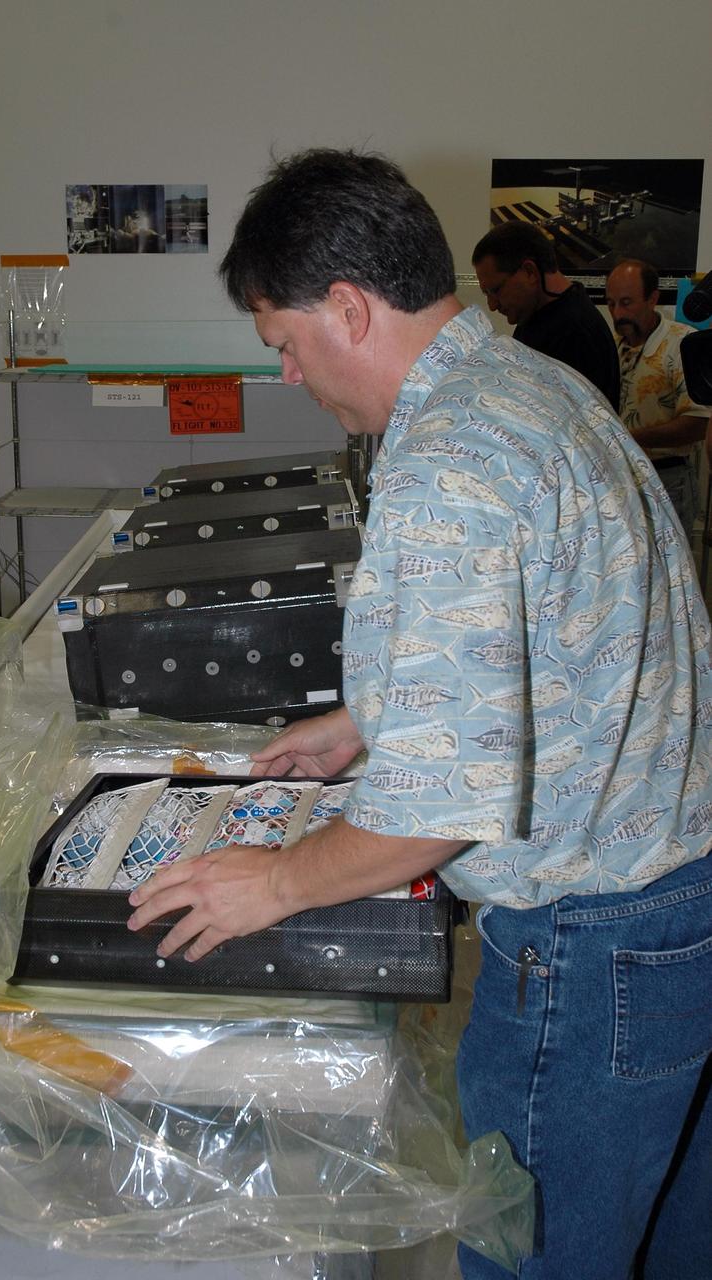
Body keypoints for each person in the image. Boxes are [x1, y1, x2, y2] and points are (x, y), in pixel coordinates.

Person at [127, 149, 712, 1279]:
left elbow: (431, 816)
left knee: (536, 1253)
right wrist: (370, 716)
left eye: (285, 343)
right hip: (673, 898)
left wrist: (276, 881)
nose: (290, 372)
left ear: (346, 306)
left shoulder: (446, 461)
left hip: (585, 948)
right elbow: (558, 625)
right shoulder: (526, 385)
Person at [606, 258, 710, 535]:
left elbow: (698, 423)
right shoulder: (612, 347)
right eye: (611, 303)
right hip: (620, 480)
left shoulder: (682, 345)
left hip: (667, 479)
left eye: (626, 303)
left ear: (653, 298)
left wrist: (628, 440)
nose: (617, 314)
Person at [472, 221, 620, 411]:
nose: (492, 305)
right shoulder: (537, 317)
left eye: (496, 290)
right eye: (487, 295)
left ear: (530, 272)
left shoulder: (575, 333)